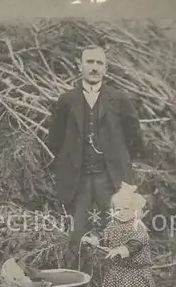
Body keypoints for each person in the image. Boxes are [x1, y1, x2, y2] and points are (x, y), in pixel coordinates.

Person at [47, 45, 145, 268]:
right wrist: (68, 162)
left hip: (109, 179)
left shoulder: (119, 99)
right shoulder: (66, 100)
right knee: (75, 236)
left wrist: (119, 161)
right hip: (78, 179)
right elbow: (55, 138)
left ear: (106, 68)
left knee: (118, 231)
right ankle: (80, 286)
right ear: (79, 66)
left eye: (99, 63)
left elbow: (134, 135)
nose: (94, 68)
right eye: (89, 62)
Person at [83, 182, 156, 287]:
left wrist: (122, 249)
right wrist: (96, 240)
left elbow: (136, 243)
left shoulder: (137, 227)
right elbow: (106, 237)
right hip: (121, 269)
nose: (121, 213)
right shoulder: (113, 224)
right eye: (117, 210)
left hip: (134, 269)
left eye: (126, 209)